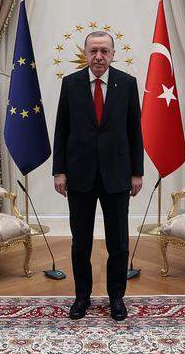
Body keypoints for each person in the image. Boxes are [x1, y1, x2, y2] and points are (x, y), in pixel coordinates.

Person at [53, 31, 144, 321]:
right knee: (81, 242)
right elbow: (61, 130)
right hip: (79, 176)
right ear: (86, 53)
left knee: (118, 242)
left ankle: (117, 297)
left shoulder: (127, 84)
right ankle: (82, 297)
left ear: (113, 54)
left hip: (117, 176)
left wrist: (136, 172)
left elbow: (135, 132)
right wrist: (59, 170)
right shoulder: (71, 84)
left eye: (104, 50)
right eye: (93, 51)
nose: (99, 56)